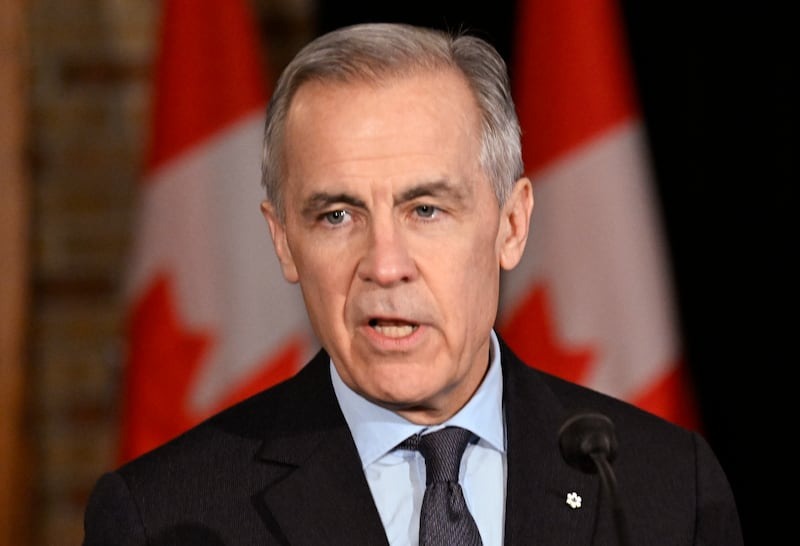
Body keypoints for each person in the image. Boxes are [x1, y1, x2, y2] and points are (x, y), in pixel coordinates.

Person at [82, 22, 743, 545]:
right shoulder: (163, 517)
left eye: (425, 210)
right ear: (284, 241)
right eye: (337, 216)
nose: (385, 264)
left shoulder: (663, 490)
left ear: (512, 225)